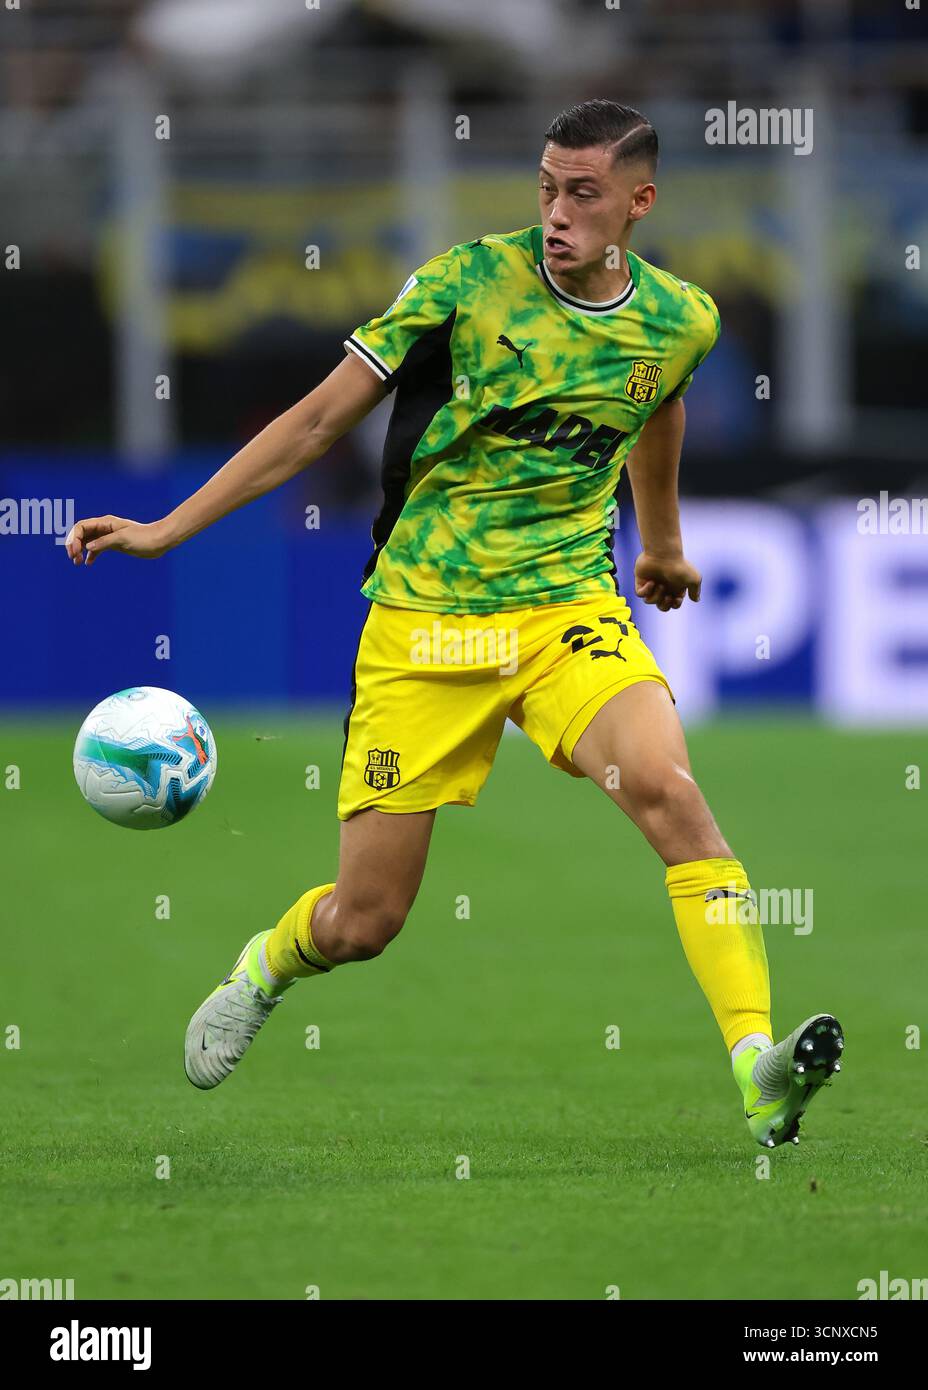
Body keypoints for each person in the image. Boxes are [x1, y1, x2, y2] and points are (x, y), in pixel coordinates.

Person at [66, 99, 843, 1148]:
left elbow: (659, 399)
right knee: (365, 921)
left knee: (670, 794)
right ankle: (266, 965)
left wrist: (656, 541)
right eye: (545, 187)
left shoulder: (682, 317)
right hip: (424, 630)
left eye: (583, 193)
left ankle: (756, 1067)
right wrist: (167, 530)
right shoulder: (465, 284)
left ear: (639, 203)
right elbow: (314, 422)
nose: (556, 212)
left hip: (566, 612)